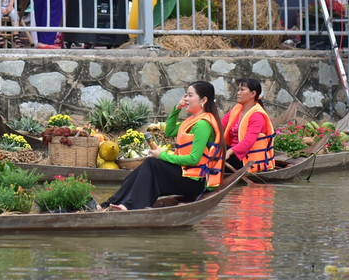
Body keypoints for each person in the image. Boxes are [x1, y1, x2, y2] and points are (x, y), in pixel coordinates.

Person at [104, 81, 226, 211]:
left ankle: (129, 205)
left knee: (152, 163)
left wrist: (162, 155)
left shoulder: (203, 124)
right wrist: (177, 108)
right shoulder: (192, 121)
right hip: (187, 174)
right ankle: (112, 203)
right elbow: (169, 131)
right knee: (148, 165)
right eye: (186, 95)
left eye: (190, 95)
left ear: (204, 100)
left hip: (197, 181)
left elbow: (194, 159)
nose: (186, 99)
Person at [219, 78, 276, 173]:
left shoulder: (257, 115)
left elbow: (248, 141)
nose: (238, 93)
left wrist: (228, 152)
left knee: (215, 151)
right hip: (232, 155)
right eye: (238, 90)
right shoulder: (236, 110)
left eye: (242, 90)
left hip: (247, 160)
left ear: (253, 94)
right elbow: (219, 127)